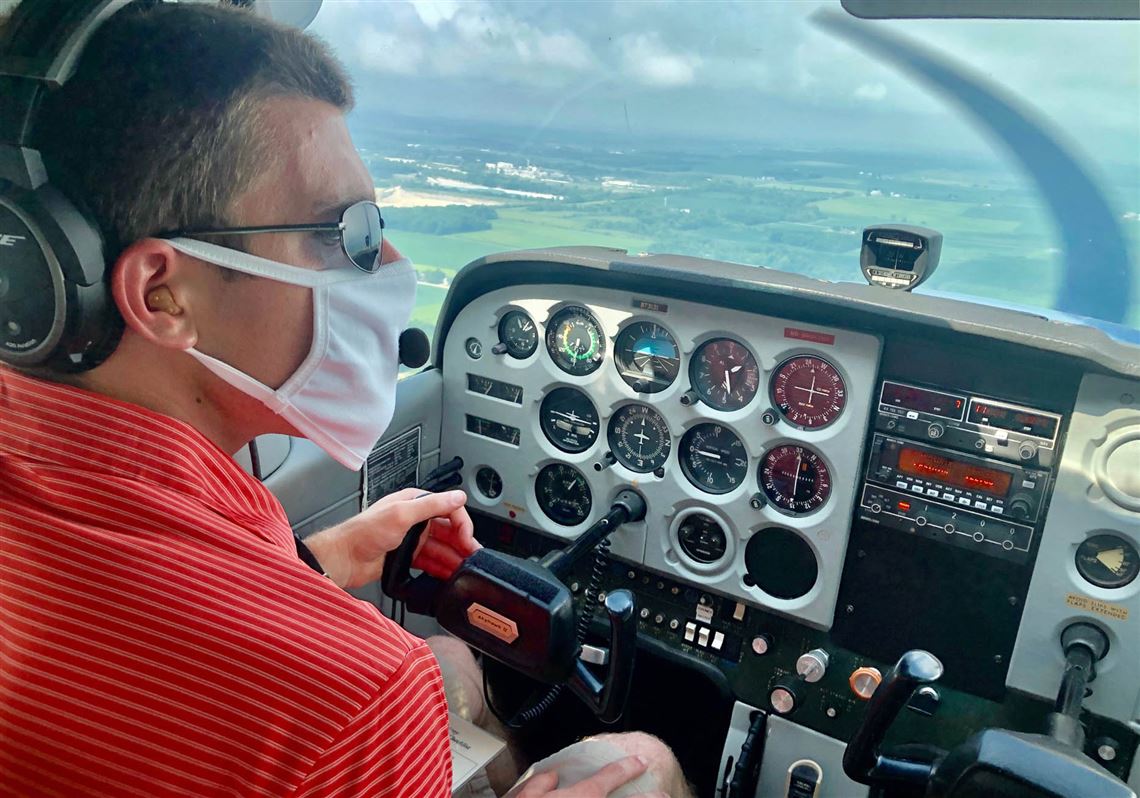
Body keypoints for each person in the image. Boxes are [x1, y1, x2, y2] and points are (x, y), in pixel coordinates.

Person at [0, 5, 689, 796]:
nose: (389, 262)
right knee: (640, 763)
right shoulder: (354, 695)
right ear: (163, 295)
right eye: (345, 232)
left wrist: (310, 565)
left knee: (451, 658)